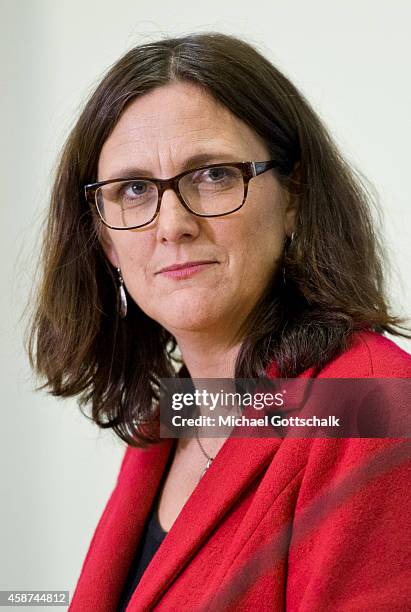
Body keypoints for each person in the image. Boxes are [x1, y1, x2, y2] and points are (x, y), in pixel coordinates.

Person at [27, 32, 411, 611]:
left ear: (293, 199)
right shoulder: (173, 417)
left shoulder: (375, 403)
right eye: (133, 189)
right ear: (104, 238)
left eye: (213, 175)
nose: (172, 223)